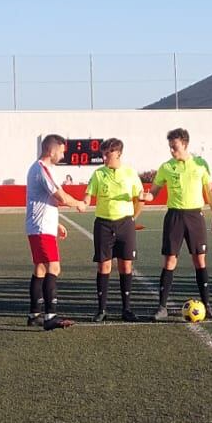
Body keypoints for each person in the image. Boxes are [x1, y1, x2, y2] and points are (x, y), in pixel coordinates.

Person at [150, 128, 212, 320]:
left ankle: (207, 305)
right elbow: (154, 192)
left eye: (175, 147)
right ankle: (162, 307)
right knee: (170, 261)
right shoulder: (166, 167)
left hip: (195, 217)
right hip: (174, 217)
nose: (172, 151)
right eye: (170, 148)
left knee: (200, 260)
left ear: (185, 144)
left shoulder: (200, 164)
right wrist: (145, 196)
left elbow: (209, 192)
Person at [26, 134, 90, 329]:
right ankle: (50, 317)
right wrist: (78, 204)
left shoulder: (40, 169)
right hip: (40, 229)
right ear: (51, 150)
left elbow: (45, 201)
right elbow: (60, 196)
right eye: (62, 151)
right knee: (54, 268)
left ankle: (34, 314)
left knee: (41, 268)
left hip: (41, 226)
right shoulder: (42, 169)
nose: (63, 155)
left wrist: (55, 223)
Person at [85, 138, 148, 322]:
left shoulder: (130, 173)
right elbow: (89, 194)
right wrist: (84, 202)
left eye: (107, 153)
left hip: (125, 224)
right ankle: (101, 309)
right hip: (103, 224)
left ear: (118, 153)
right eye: (103, 153)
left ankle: (126, 309)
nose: (104, 157)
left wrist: (132, 219)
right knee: (104, 265)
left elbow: (140, 197)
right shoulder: (98, 174)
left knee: (125, 265)